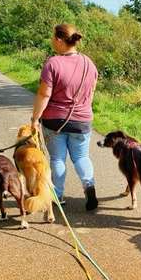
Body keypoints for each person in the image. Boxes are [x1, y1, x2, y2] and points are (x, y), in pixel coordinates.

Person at [30, 23, 98, 210]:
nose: (52, 40)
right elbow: (90, 94)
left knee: (58, 159)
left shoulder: (53, 63)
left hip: (55, 121)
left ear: (60, 40)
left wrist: (35, 119)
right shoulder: (89, 64)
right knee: (81, 157)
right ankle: (89, 185)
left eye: (53, 37)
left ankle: (57, 196)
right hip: (82, 120)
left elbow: (44, 95)